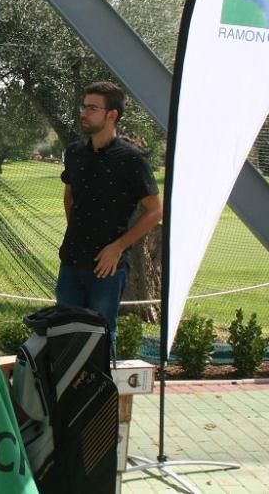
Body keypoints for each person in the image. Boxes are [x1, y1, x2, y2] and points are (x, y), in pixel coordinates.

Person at [57, 81, 162, 342]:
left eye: (92, 108)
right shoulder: (74, 153)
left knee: (101, 338)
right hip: (71, 261)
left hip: (107, 268)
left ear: (112, 115)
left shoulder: (132, 159)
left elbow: (154, 211)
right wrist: (78, 232)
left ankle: (101, 384)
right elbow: (69, 198)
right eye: (83, 106)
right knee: (63, 334)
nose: (84, 113)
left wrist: (117, 248)